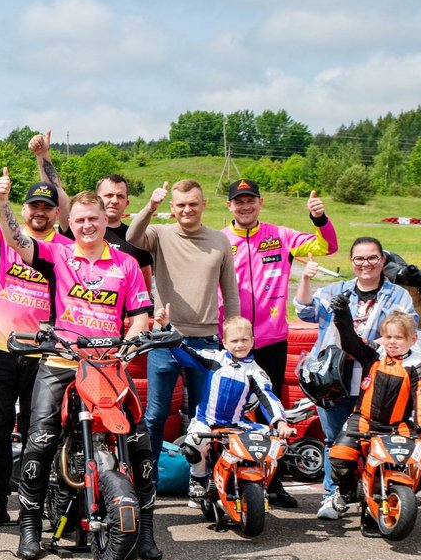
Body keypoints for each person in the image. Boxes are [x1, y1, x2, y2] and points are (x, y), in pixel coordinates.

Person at [0, 190, 155, 560]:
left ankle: (144, 528)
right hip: (62, 362)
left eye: (92, 219)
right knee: (39, 441)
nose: (86, 225)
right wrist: (3, 204)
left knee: (141, 441)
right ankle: (30, 526)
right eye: (79, 219)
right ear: (72, 221)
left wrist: (127, 349)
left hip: (110, 365)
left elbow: (141, 315)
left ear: (103, 220)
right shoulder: (59, 253)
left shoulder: (125, 263)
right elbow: (18, 242)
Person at [0, 142, 63, 529]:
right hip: (1, 349)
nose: (38, 213)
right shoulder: (4, 240)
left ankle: (41, 506)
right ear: (24, 210)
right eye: (33, 207)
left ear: (55, 212)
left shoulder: (63, 248)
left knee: (42, 433)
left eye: (46, 208)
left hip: (45, 354)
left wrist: (44, 160)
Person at [125, 179, 242, 501]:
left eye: (193, 203)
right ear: (172, 208)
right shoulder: (161, 235)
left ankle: (200, 478)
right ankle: (144, 478)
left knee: (206, 416)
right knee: (156, 413)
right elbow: (132, 235)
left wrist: (233, 333)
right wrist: (150, 206)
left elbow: (229, 291)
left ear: (203, 204)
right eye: (180, 205)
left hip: (206, 341)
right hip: (166, 339)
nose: (187, 209)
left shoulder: (219, 241)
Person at [225, 177, 336, 509]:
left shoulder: (281, 236)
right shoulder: (219, 240)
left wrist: (320, 220)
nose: (245, 206)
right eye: (238, 201)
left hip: (272, 339)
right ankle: (235, 478)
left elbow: (326, 247)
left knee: (271, 412)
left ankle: (271, 482)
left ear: (260, 202)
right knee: (231, 411)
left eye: (250, 200)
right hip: (232, 341)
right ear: (229, 206)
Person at [291, 239, 417, 520]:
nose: (366, 264)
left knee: (374, 439)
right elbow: (304, 310)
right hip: (332, 379)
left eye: (372, 258)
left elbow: (408, 327)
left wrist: (366, 346)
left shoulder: (397, 296)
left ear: (382, 260)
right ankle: (332, 495)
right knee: (334, 440)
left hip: (376, 378)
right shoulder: (338, 290)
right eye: (359, 259)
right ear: (351, 261)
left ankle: (374, 494)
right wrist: (306, 278)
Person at [323, 302, 421, 536]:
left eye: (399, 337)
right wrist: (342, 316)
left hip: (397, 426)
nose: (393, 342)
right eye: (388, 336)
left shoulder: (417, 366)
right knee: (340, 455)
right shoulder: (373, 354)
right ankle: (347, 492)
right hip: (363, 420)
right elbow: (349, 341)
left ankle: (403, 494)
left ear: (413, 339)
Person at [174, 316, 293, 481]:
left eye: (244, 340)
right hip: (206, 421)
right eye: (234, 340)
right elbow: (187, 354)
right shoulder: (215, 358)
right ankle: (198, 478)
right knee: (192, 446)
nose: (240, 345)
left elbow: (268, 397)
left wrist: (280, 421)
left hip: (237, 423)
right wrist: (169, 333)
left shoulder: (256, 372)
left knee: (275, 442)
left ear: (252, 341)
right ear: (225, 343)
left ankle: (263, 484)